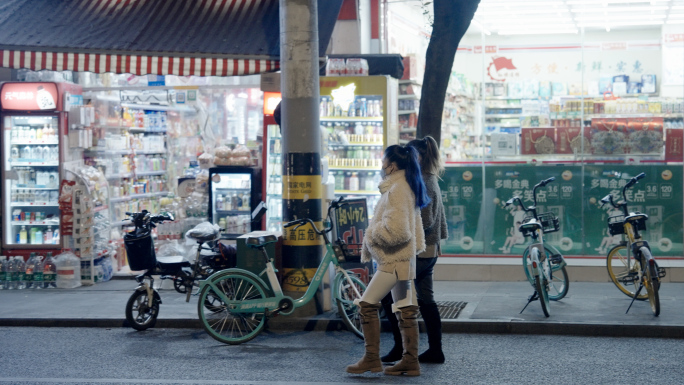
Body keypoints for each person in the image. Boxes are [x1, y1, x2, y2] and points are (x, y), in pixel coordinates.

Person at [346, 145, 429, 377]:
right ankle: (410, 362)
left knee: (367, 305)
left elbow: (399, 231)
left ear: (391, 165)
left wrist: (371, 233)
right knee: (406, 310)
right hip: (405, 259)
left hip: (393, 260)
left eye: (384, 159)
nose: (381, 163)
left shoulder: (397, 189)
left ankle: (371, 359)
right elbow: (415, 228)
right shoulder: (405, 185)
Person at [380, 136, 449, 365]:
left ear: (418, 157)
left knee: (390, 297)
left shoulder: (424, 181)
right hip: (429, 251)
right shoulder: (430, 179)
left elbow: (425, 219)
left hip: (419, 252)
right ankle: (435, 350)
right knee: (426, 300)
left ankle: (401, 348)